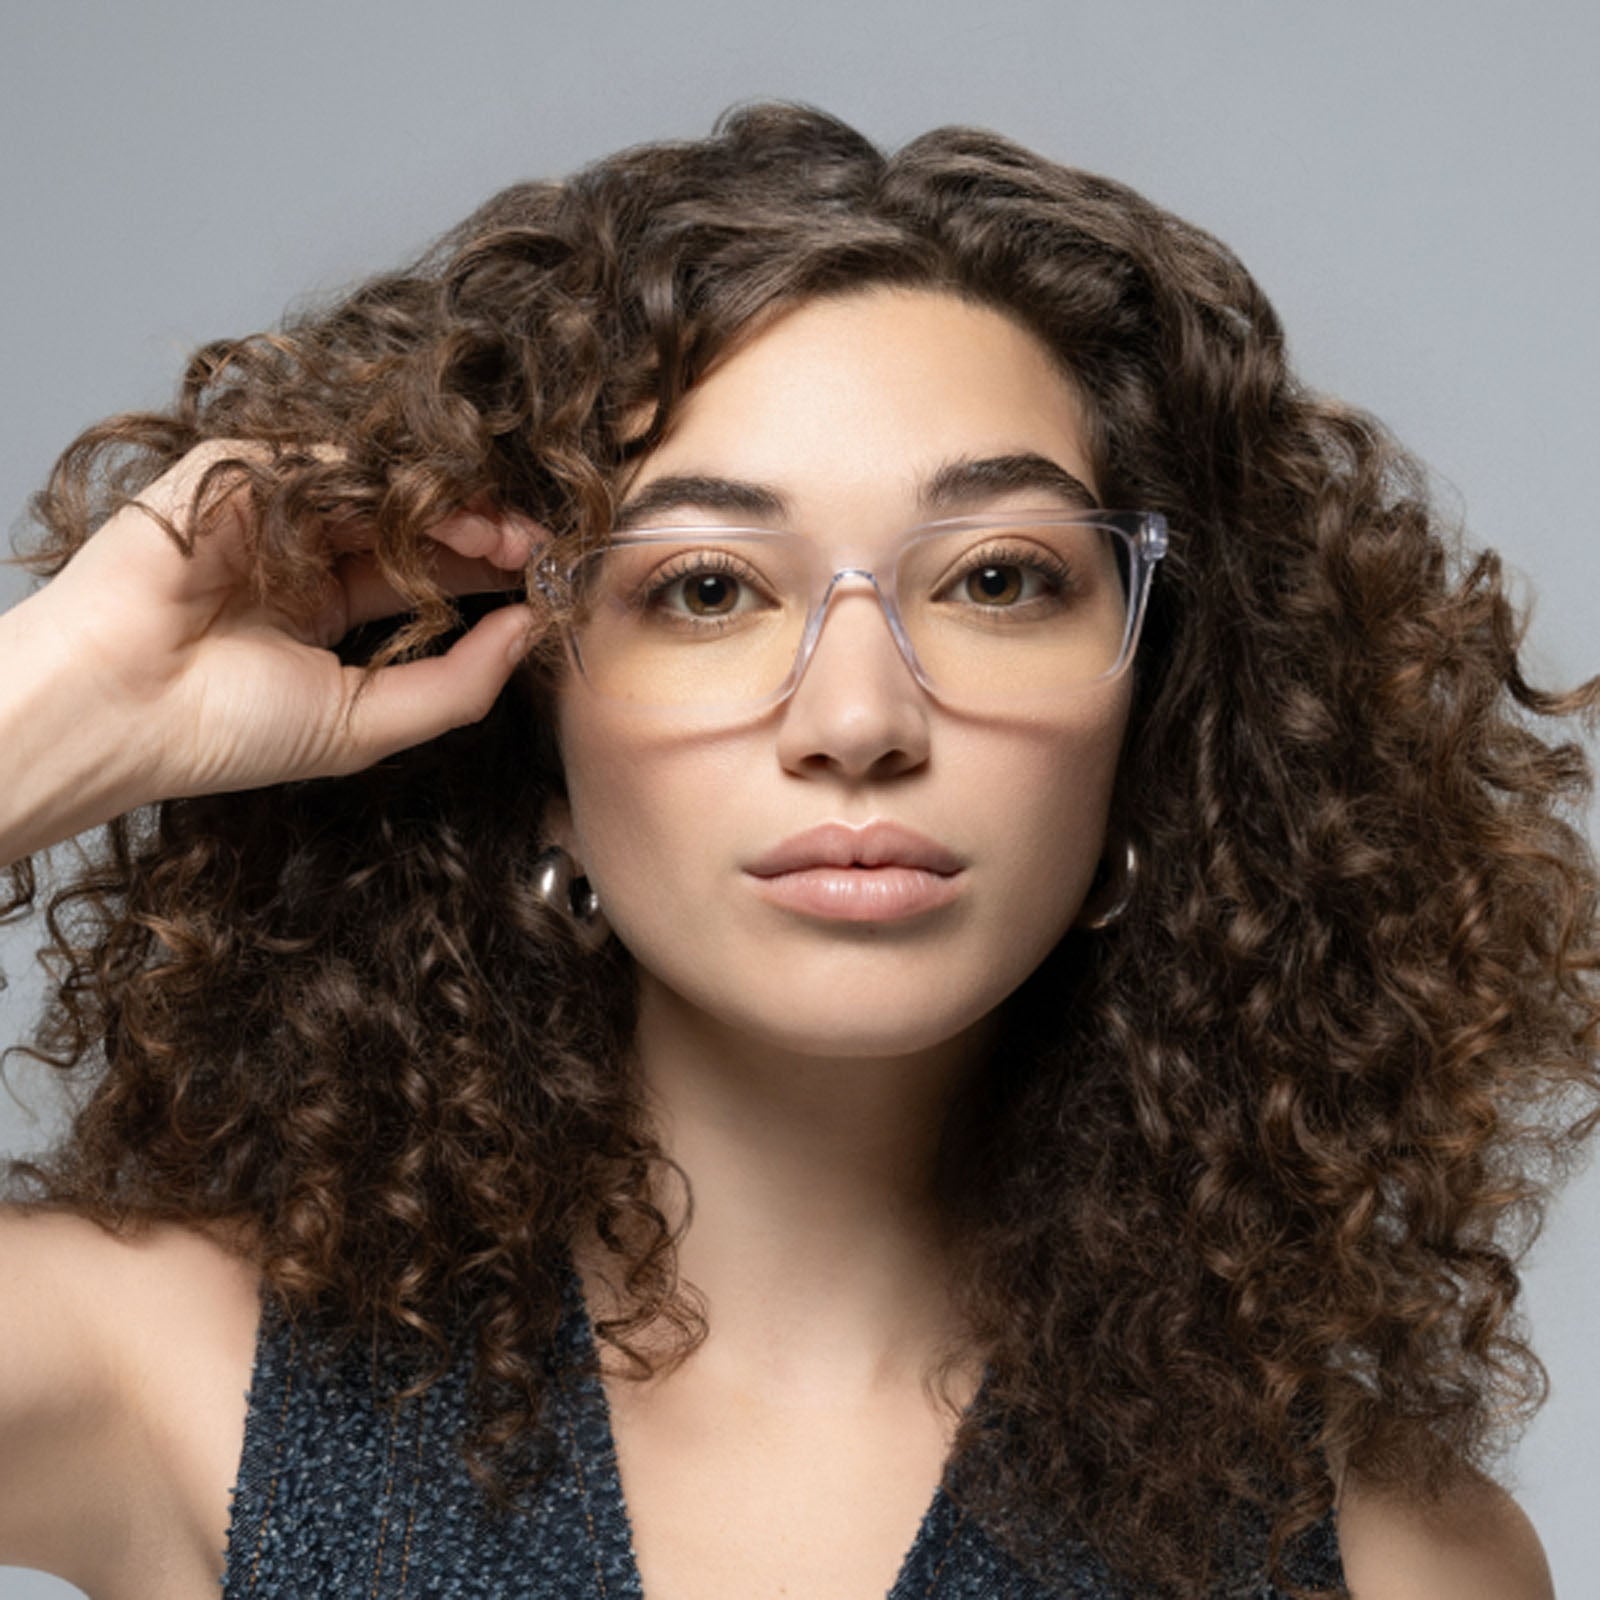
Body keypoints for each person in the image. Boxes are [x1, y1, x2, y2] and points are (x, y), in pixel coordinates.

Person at [0, 100, 1590, 1600]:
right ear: (531, 733)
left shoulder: (1397, 1556)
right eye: (705, 587)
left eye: (996, 581)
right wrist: (59, 712)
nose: (856, 716)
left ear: (1160, 720)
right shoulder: (170, 1371)